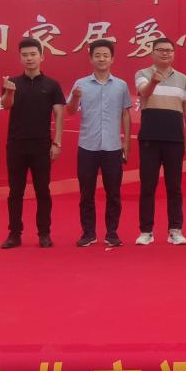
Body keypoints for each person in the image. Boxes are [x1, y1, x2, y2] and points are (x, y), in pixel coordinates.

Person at [66, 39, 132, 248]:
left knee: (114, 193)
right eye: (97, 55)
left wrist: (126, 143)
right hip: (88, 146)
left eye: (105, 55)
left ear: (112, 59)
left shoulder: (121, 85)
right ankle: (88, 233)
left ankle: (112, 233)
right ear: (91, 58)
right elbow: (70, 110)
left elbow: (125, 114)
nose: (101, 59)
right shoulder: (81, 84)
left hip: (113, 147)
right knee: (86, 193)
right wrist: (75, 98)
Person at [0, 38, 65, 249]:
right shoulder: (12, 83)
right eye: (25, 55)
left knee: (42, 191)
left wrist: (57, 143)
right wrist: (9, 91)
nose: (29, 58)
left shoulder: (52, 85)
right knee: (15, 192)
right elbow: (6, 105)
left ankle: (44, 233)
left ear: (41, 57)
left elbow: (59, 114)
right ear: (20, 58)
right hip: (16, 144)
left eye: (33, 54)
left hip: (41, 145)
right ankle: (14, 234)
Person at [134, 38, 186, 246]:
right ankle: (146, 231)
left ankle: (175, 230)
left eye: (169, 50)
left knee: (174, 187)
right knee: (148, 186)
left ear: (173, 54)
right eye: (160, 50)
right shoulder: (143, 74)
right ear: (152, 53)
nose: (165, 53)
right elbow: (144, 92)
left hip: (174, 139)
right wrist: (154, 81)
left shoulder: (183, 79)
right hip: (150, 138)